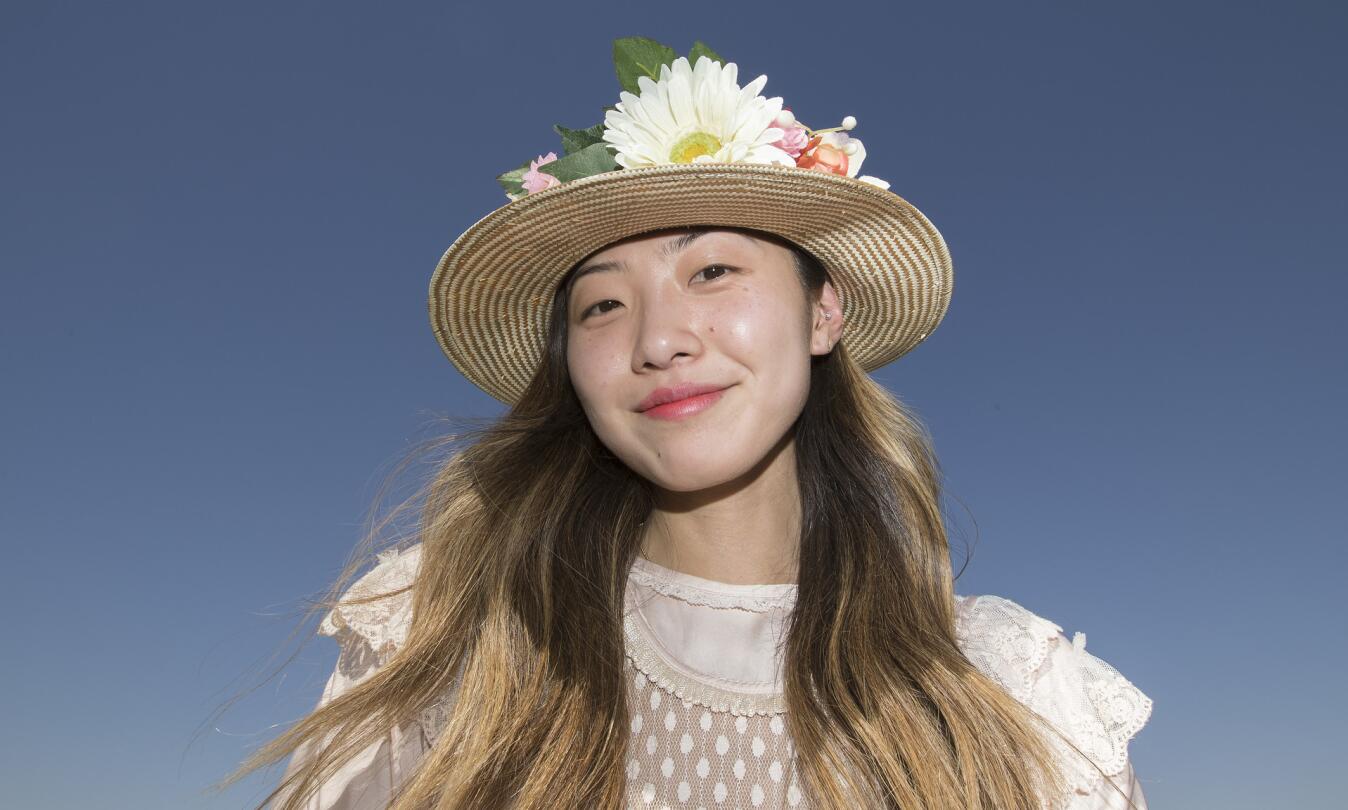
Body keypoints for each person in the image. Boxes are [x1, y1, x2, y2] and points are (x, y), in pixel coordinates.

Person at [228, 37, 1153, 809]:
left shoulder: (1009, 692)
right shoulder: (446, 648)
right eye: (600, 307)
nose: (660, 340)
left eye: (711, 272)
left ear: (823, 312)